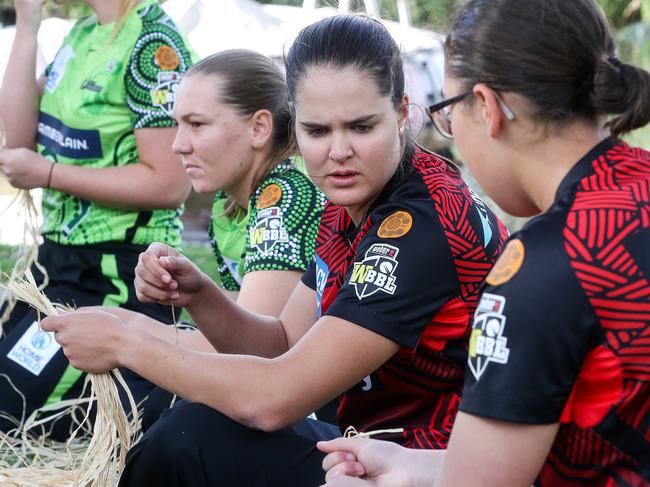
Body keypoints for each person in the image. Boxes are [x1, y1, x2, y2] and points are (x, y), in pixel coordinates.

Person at [42, 14, 507, 486]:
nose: (338, 150)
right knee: (191, 424)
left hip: (437, 467)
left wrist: (127, 343)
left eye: (361, 127)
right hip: (373, 448)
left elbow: (274, 398)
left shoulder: (418, 224)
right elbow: (282, 343)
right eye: (318, 131)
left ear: (403, 114)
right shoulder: (354, 196)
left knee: (191, 433)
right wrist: (200, 296)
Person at [318, 0, 650, 486]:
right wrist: (412, 466)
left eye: (449, 114)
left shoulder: (544, 265)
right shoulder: (632, 192)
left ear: (488, 108)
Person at [0, 0, 193, 438]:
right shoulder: (85, 32)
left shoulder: (152, 43)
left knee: (9, 414)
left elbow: (169, 184)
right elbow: (17, 138)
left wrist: (48, 174)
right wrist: (27, 23)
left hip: (117, 272)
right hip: (57, 263)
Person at [114, 48, 327, 427]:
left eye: (197, 124)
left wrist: (128, 332)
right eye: (177, 124)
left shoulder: (283, 197)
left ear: (259, 128)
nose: (178, 144)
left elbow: (254, 351)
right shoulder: (228, 202)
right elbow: (243, 307)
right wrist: (185, 290)